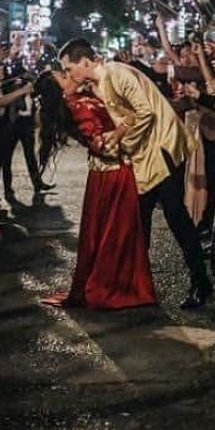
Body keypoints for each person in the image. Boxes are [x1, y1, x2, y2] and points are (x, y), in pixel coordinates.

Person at [59, 38, 212, 309]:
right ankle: (135, 287)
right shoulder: (102, 81)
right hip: (143, 158)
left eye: (69, 68)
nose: (69, 75)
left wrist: (120, 144)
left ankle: (200, 283)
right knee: (139, 221)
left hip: (161, 152)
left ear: (84, 62)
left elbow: (146, 113)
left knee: (176, 218)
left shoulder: (117, 73)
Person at [35, 70, 157, 309]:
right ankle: (112, 286)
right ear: (61, 90)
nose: (69, 75)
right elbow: (102, 145)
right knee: (116, 233)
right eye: (63, 77)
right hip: (112, 173)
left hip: (105, 176)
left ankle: (116, 284)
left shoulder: (82, 98)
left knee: (107, 233)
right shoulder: (77, 106)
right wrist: (126, 124)